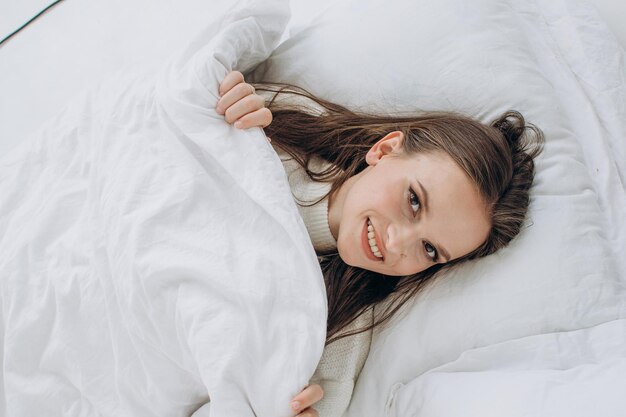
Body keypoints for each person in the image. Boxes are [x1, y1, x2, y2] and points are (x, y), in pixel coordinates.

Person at [216, 71, 544, 417]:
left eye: (430, 249)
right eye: (414, 201)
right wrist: (223, 104)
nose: (396, 243)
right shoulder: (280, 123)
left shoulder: (340, 332)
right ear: (384, 150)